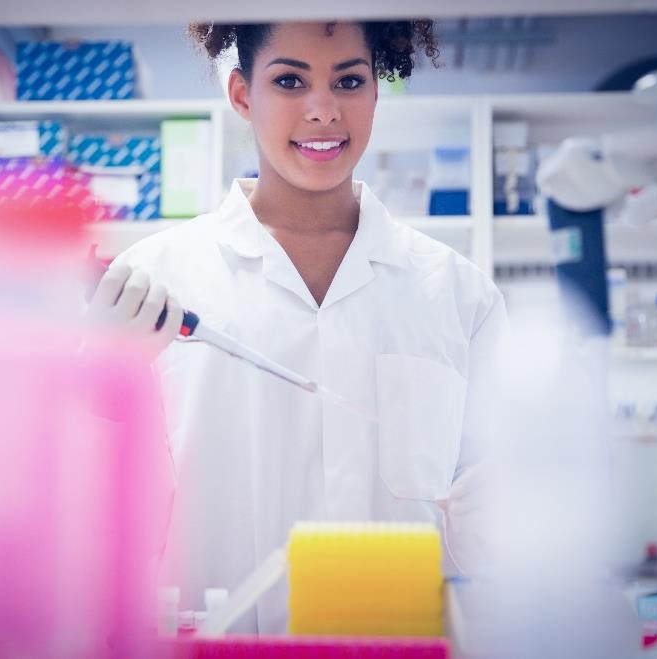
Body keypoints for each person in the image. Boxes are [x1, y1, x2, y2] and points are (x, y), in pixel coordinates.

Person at [87, 20, 506, 633]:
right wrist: (96, 391)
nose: (322, 111)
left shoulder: (457, 294)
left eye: (349, 81)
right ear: (241, 95)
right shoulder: (158, 278)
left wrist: (507, 510)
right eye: (289, 81)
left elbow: (497, 530)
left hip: (400, 646)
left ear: (375, 93)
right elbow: (90, 525)